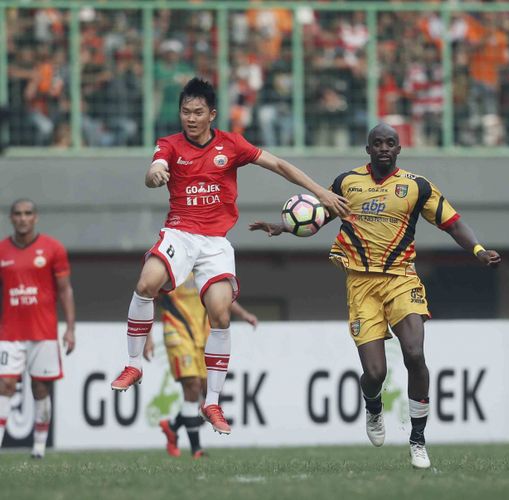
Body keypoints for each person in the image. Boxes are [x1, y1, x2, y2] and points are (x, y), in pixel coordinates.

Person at [250, 123, 500, 468]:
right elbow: (316, 215)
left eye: (390, 143)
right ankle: (373, 407)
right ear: (368, 149)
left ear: (399, 149)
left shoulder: (417, 186)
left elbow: (453, 223)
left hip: (401, 279)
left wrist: (478, 250)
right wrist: (285, 226)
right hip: (361, 284)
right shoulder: (346, 182)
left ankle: (418, 439)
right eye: (377, 143)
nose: (384, 148)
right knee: (375, 372)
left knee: (415, 353)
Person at [110, 77, 349, 437]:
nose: (190, 119)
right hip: (180, 233)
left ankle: (213, 401)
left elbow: (280, 165)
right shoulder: (170, 145)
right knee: (146, 281)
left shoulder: (232, 145)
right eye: (185, 112)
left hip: (215, 243)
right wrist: (155, 173)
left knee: (220, 313)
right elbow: (153, 170)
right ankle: (132, 366)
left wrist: (320, 193)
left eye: (197, 112)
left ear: (212, 115)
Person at [149, 274, 258, 458]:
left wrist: (244, 314)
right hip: (178, 331)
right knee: (192, 385)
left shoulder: (205, 264)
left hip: (203, 334)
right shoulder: (172, 264)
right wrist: (147, 336)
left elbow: (221, 298)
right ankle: (196, 449)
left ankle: (173, 427)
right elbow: (149, 295)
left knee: (208, 392)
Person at [0, 199, 75, 458]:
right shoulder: (1, 250)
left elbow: (65, 290)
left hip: (43, 332)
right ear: (11, 218)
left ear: (36, 218)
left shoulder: (53, 248)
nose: (23, 218)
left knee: (40, 389)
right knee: (6, 385)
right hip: (10, 332)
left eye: (27, 213)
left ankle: (39, 448)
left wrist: (70, 329)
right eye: (18, 214)